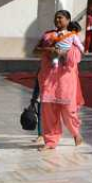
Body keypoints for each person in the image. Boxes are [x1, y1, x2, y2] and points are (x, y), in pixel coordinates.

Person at [35, 10, 85, 150]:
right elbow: (35, 50)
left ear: (68, 20)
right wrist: (48, 50)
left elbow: (78, 56)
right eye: (55, 18)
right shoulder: (47, 35)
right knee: (48, 111)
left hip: (65, 79)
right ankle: (50, 142)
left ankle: (76, 134)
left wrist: (64, 52)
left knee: (68, 110)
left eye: (60, 18)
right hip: (48, 78)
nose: (57, 20)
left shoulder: (72, 36)